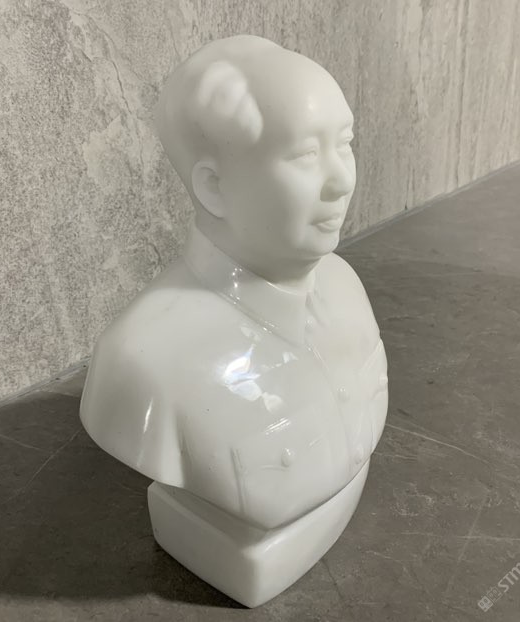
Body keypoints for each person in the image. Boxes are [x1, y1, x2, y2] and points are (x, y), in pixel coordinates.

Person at [79, 35, 388, 606]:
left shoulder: (346, 288)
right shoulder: (144, 361)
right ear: (214, 187)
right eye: (304, 155)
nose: (341, 179)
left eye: (344, 144)